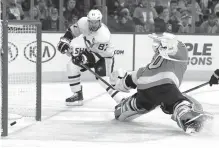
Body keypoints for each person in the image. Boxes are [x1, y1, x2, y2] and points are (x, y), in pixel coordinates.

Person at [110, 32, 213, 134]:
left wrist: (121, 82)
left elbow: (133, 78)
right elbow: (175, 47)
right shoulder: (181, 52)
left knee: (137, 103)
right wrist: (168, 42)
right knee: (178, 103)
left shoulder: (150, 65)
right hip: (165, 86)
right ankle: (187, 117)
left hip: (144, 90)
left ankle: (121, 109)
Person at [57, 9, 122, 106]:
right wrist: (65, 42)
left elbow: (98, 55)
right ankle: (77, 95)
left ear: (100, 21)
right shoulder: (83, 22)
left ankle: (121, 100)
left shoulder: (103, 35)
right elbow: (71, 32)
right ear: (88, 20)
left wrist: (83, 58)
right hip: (92, 51)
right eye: (91, 22)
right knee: (72, 66)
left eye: (95, 22)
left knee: (103, 79)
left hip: (105, 57)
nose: (93, 24)